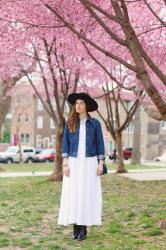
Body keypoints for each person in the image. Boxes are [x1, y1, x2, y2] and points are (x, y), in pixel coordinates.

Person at [57, 92, 105, 241]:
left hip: (89, 162)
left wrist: (101, 163)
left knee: (86, 194)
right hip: (74, 162)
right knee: (74, 194)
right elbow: (65, 143)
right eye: (76, 103)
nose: (78, 105)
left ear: (86, 106)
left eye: (81, 103)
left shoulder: (95, 124)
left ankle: (83, 228)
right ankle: (75, 227)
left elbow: (100, 144)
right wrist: (65, 163)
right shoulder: (70, 123)